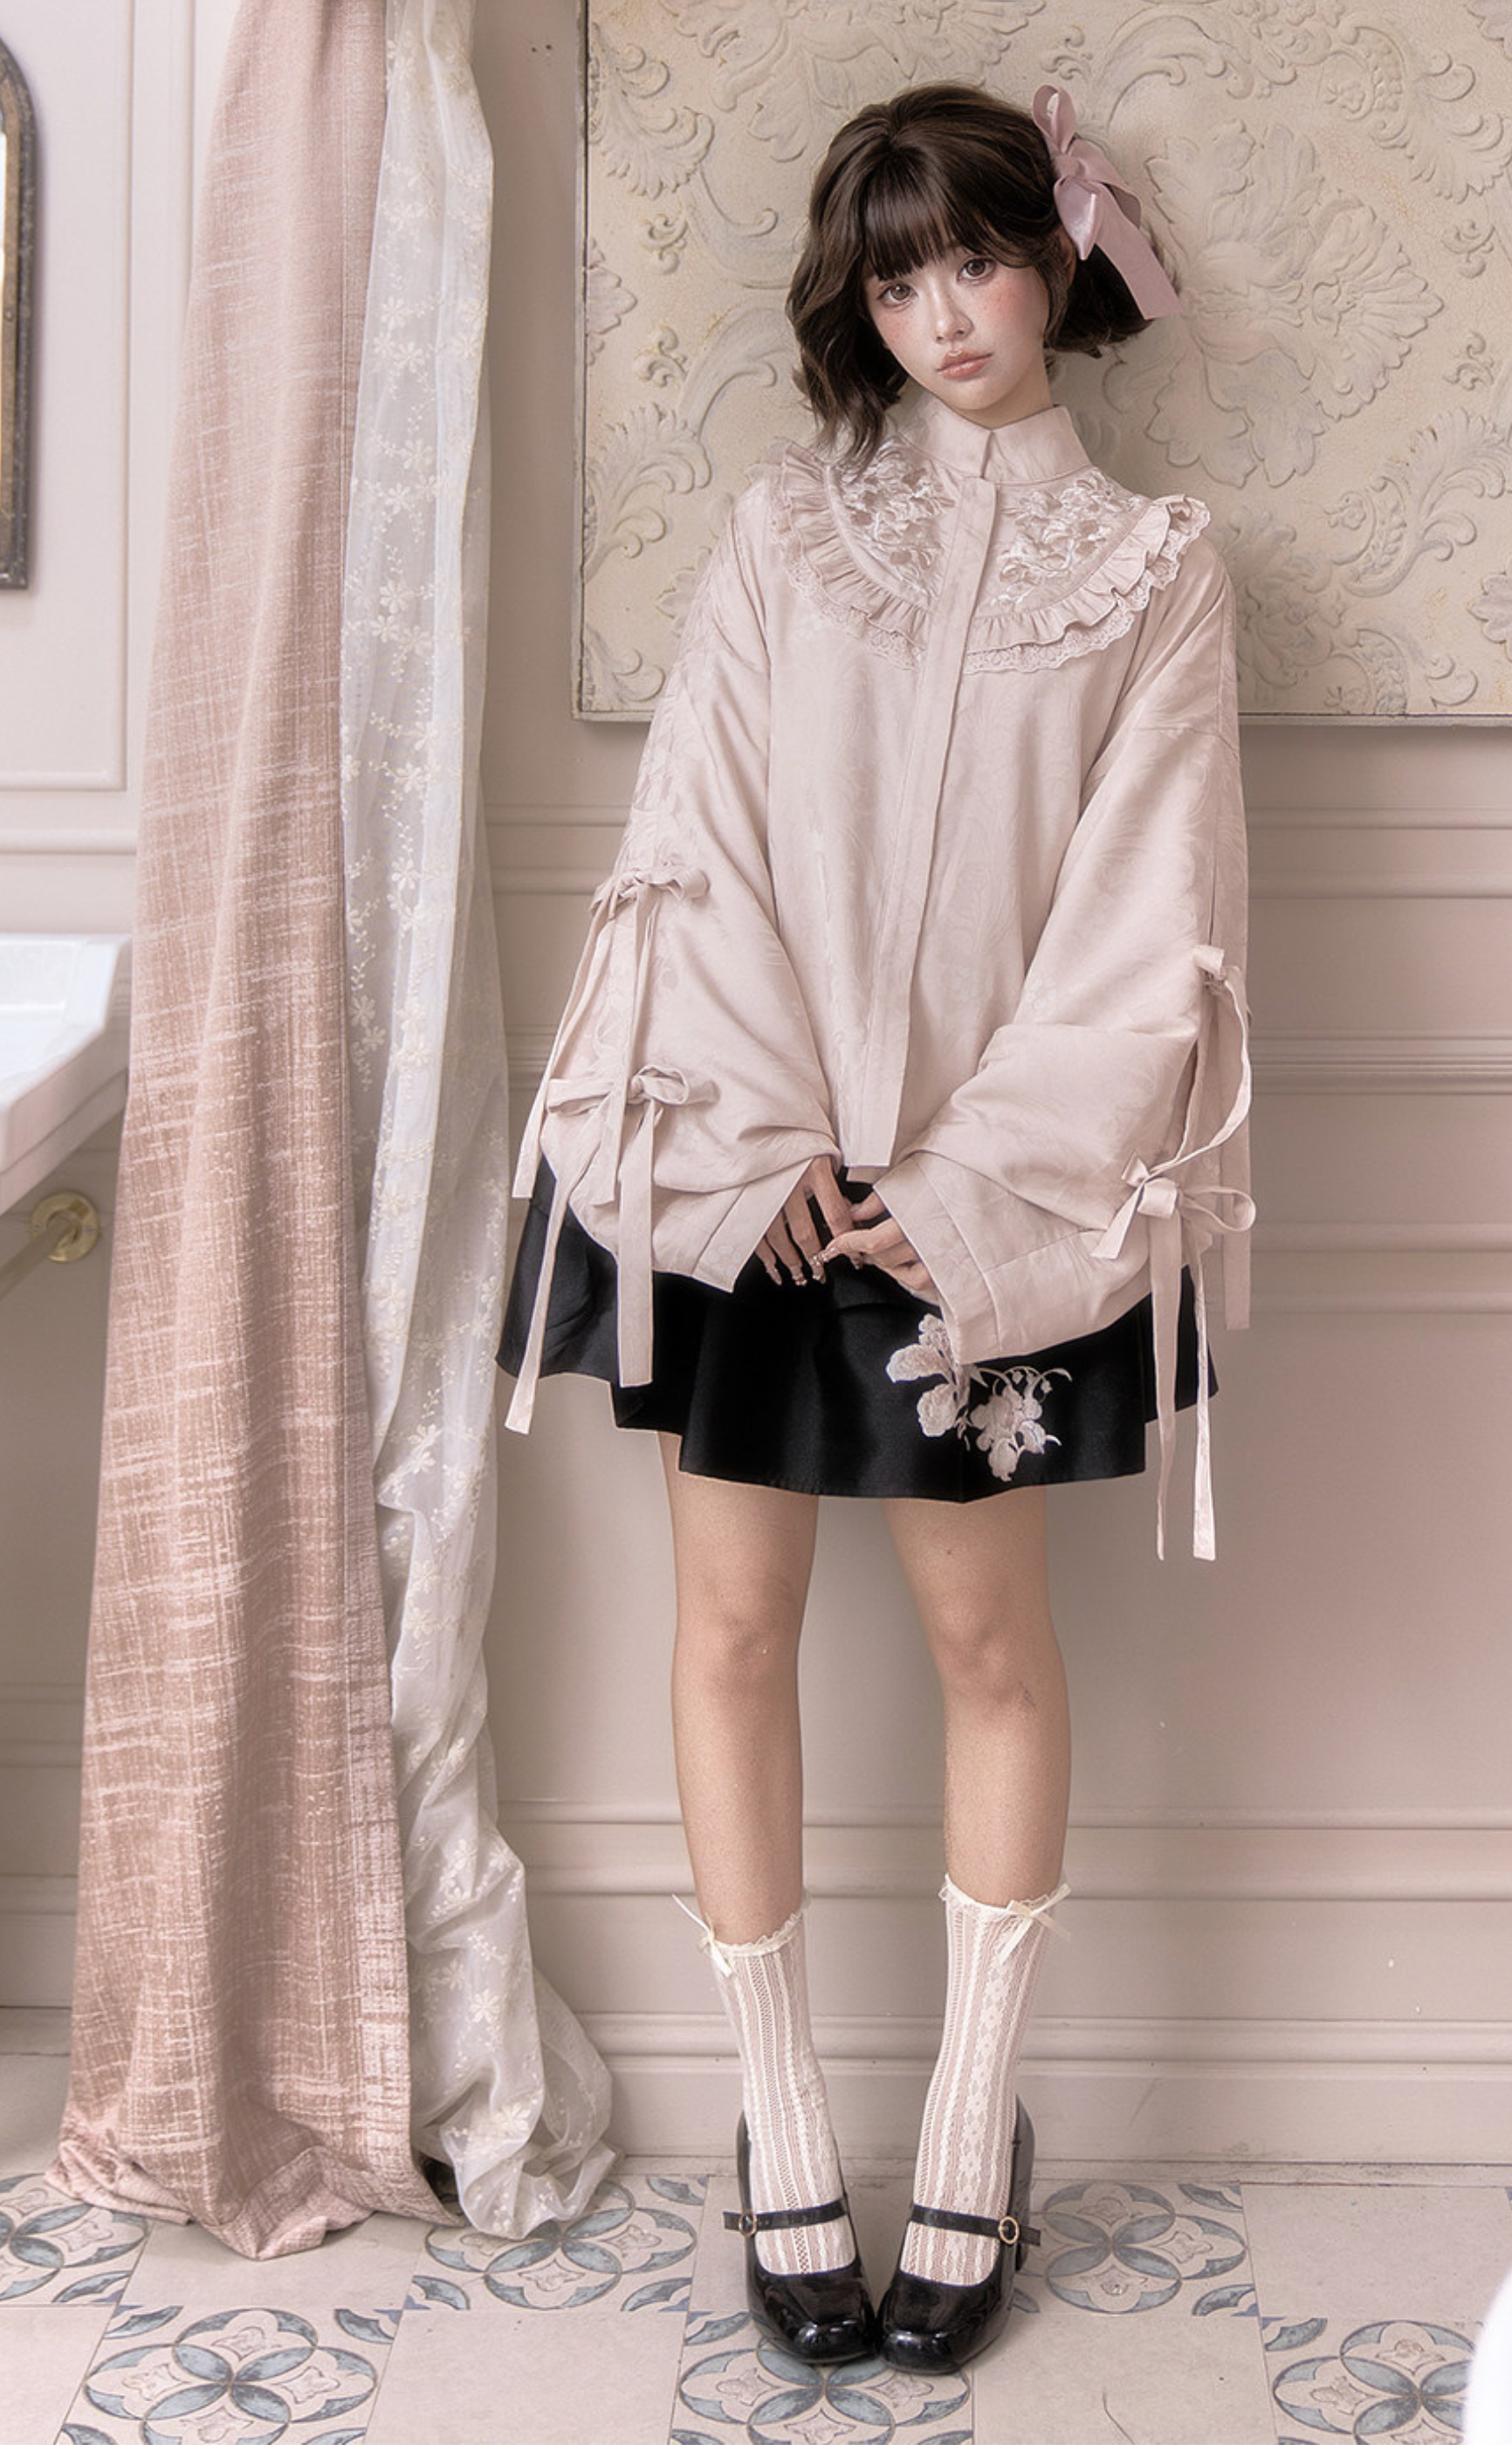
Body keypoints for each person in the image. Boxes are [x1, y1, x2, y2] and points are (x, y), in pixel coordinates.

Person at [500, 80, 1252, 2373]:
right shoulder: (782, 534)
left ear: (1061, 262)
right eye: (900, 275)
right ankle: (780, 2112)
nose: (945, 314)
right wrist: (754, 1142)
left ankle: (969, 2116)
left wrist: (973, 1179)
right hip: (754, 1189)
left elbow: (1152, 922)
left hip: (981, 1217)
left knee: (991, 1647)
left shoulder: (1158, 572)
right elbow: (692, 839)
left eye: (980, 260)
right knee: (729, 1629)